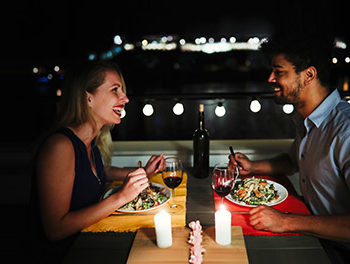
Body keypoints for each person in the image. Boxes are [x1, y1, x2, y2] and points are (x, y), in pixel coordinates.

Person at [229, 34, 350, 263]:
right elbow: (294, 161)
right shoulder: (308, 118)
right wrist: (253, 166)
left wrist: (284, 221)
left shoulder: (345, 132)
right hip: (313, 235)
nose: (270, 78)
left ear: (309, 75)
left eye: (279, 72)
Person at [29, 61, 164, 263]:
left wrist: (143, 173)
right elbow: (54, 230)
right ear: (88, 98)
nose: (125, 99)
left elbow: (98, 172)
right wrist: (120, 197)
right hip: (69, 254)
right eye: (115, 90)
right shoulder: (60, 146)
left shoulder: (90, 142)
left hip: (91, 239)